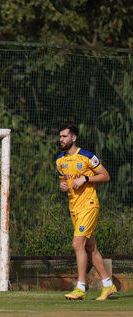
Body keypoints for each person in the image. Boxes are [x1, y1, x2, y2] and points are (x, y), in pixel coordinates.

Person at [56, 125, 117, 300]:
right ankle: (108, 285)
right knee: (91, 248)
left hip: (89, 206)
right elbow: (65, 184)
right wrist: (63, 187)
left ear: (73, 138)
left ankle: (81, 287)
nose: (61, 139)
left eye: (65, 136)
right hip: (74, 208)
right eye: (60, 136)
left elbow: (105, 176)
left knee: (77, 244)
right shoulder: (60, 160)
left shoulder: (88, 156)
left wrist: (86, 178)